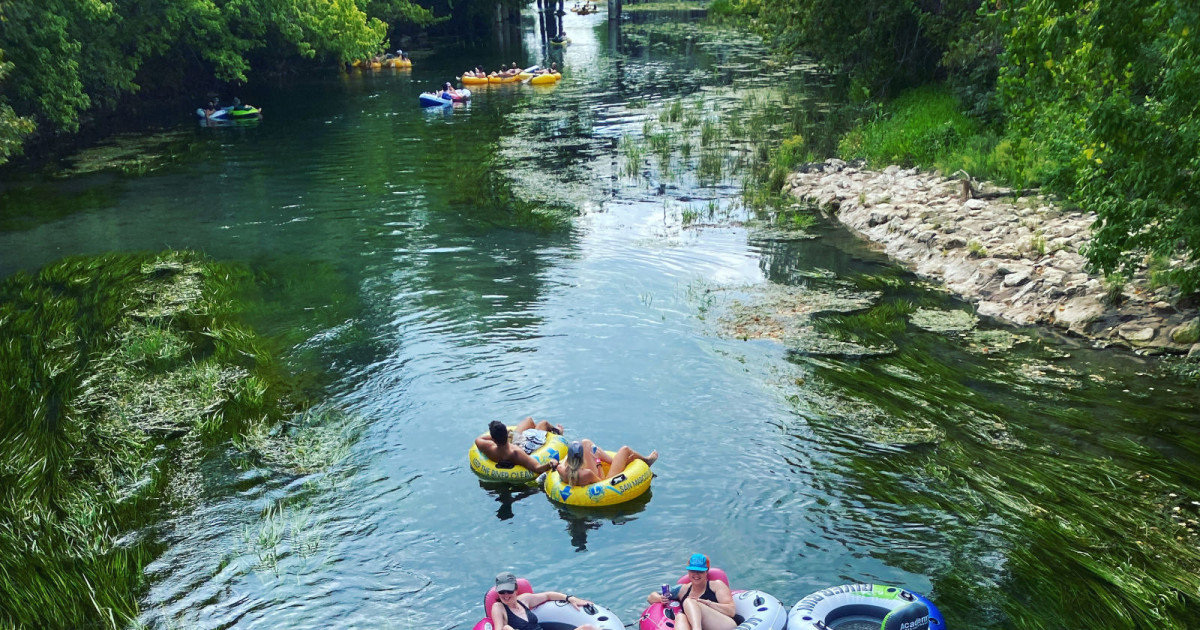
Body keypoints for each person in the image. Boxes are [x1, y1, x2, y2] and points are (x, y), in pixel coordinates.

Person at [645, 555, 736, 630]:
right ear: (688, 571)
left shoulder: (716, 586)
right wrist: (660, 598)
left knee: (689, 601)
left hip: (724, 625)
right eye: (693, 570)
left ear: (707, 571)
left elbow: (731, 611)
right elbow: (650, 597)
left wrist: (709, 604)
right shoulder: (682, 590)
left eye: (700, 571)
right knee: (680, 616)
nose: (696, 574)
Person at [490, 572, 600, 630]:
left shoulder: (524, 600)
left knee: (588, 628)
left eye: (509, 591)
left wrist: (570, 598)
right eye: (502, 592)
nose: (505, 595)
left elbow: (548, 596)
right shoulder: (498, 607)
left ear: (516, 589)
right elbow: (500, 628)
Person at [475, 418, 563, 473]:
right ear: (506, 434)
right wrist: (550, 464)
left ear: (494, 439)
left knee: (529, 421)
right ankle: (558, 431)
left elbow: (478, 439)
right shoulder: (516, 453)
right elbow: (537, 468)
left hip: (510, 442)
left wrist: (499, 436)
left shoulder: (488, 448)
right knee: (544, 424)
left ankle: (535, 430)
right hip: (525, 446)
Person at [557, 439, 657, 486]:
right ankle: (647, 461)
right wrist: (597, 461)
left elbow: (563, 461)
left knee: (585, 443)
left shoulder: (561, 470)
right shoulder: (587, 473)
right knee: (625, 450)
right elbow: (602, 482)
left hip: (581, 477)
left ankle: (616, 461)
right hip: (607, 481)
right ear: (581, 459)